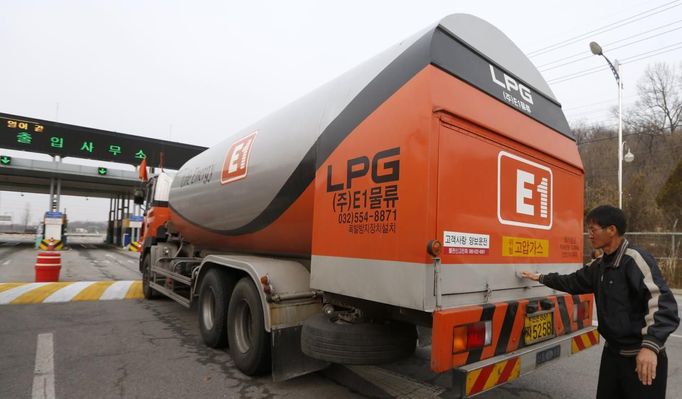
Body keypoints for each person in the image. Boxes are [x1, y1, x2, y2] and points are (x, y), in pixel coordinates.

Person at [521, 205, 679, 399]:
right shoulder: (600, 265)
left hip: (641, 357)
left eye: (593, 229)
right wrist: (541, 278)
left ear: (611, 230)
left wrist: (650, 346)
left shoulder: (634, 259)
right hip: (613, 355)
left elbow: (663, 303)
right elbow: (572, 281)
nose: (589, 235)